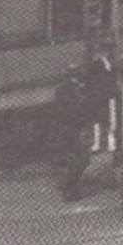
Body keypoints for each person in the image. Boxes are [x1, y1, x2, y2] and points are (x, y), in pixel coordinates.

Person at [52, 65, 93, 201]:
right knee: (74, 160)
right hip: (69, 128)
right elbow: (64, 110)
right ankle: (69, 189)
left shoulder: (82, 89)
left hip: (77, 129)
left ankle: (69, 188)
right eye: (73, 75)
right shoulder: (63, 91)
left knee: (81, 160)